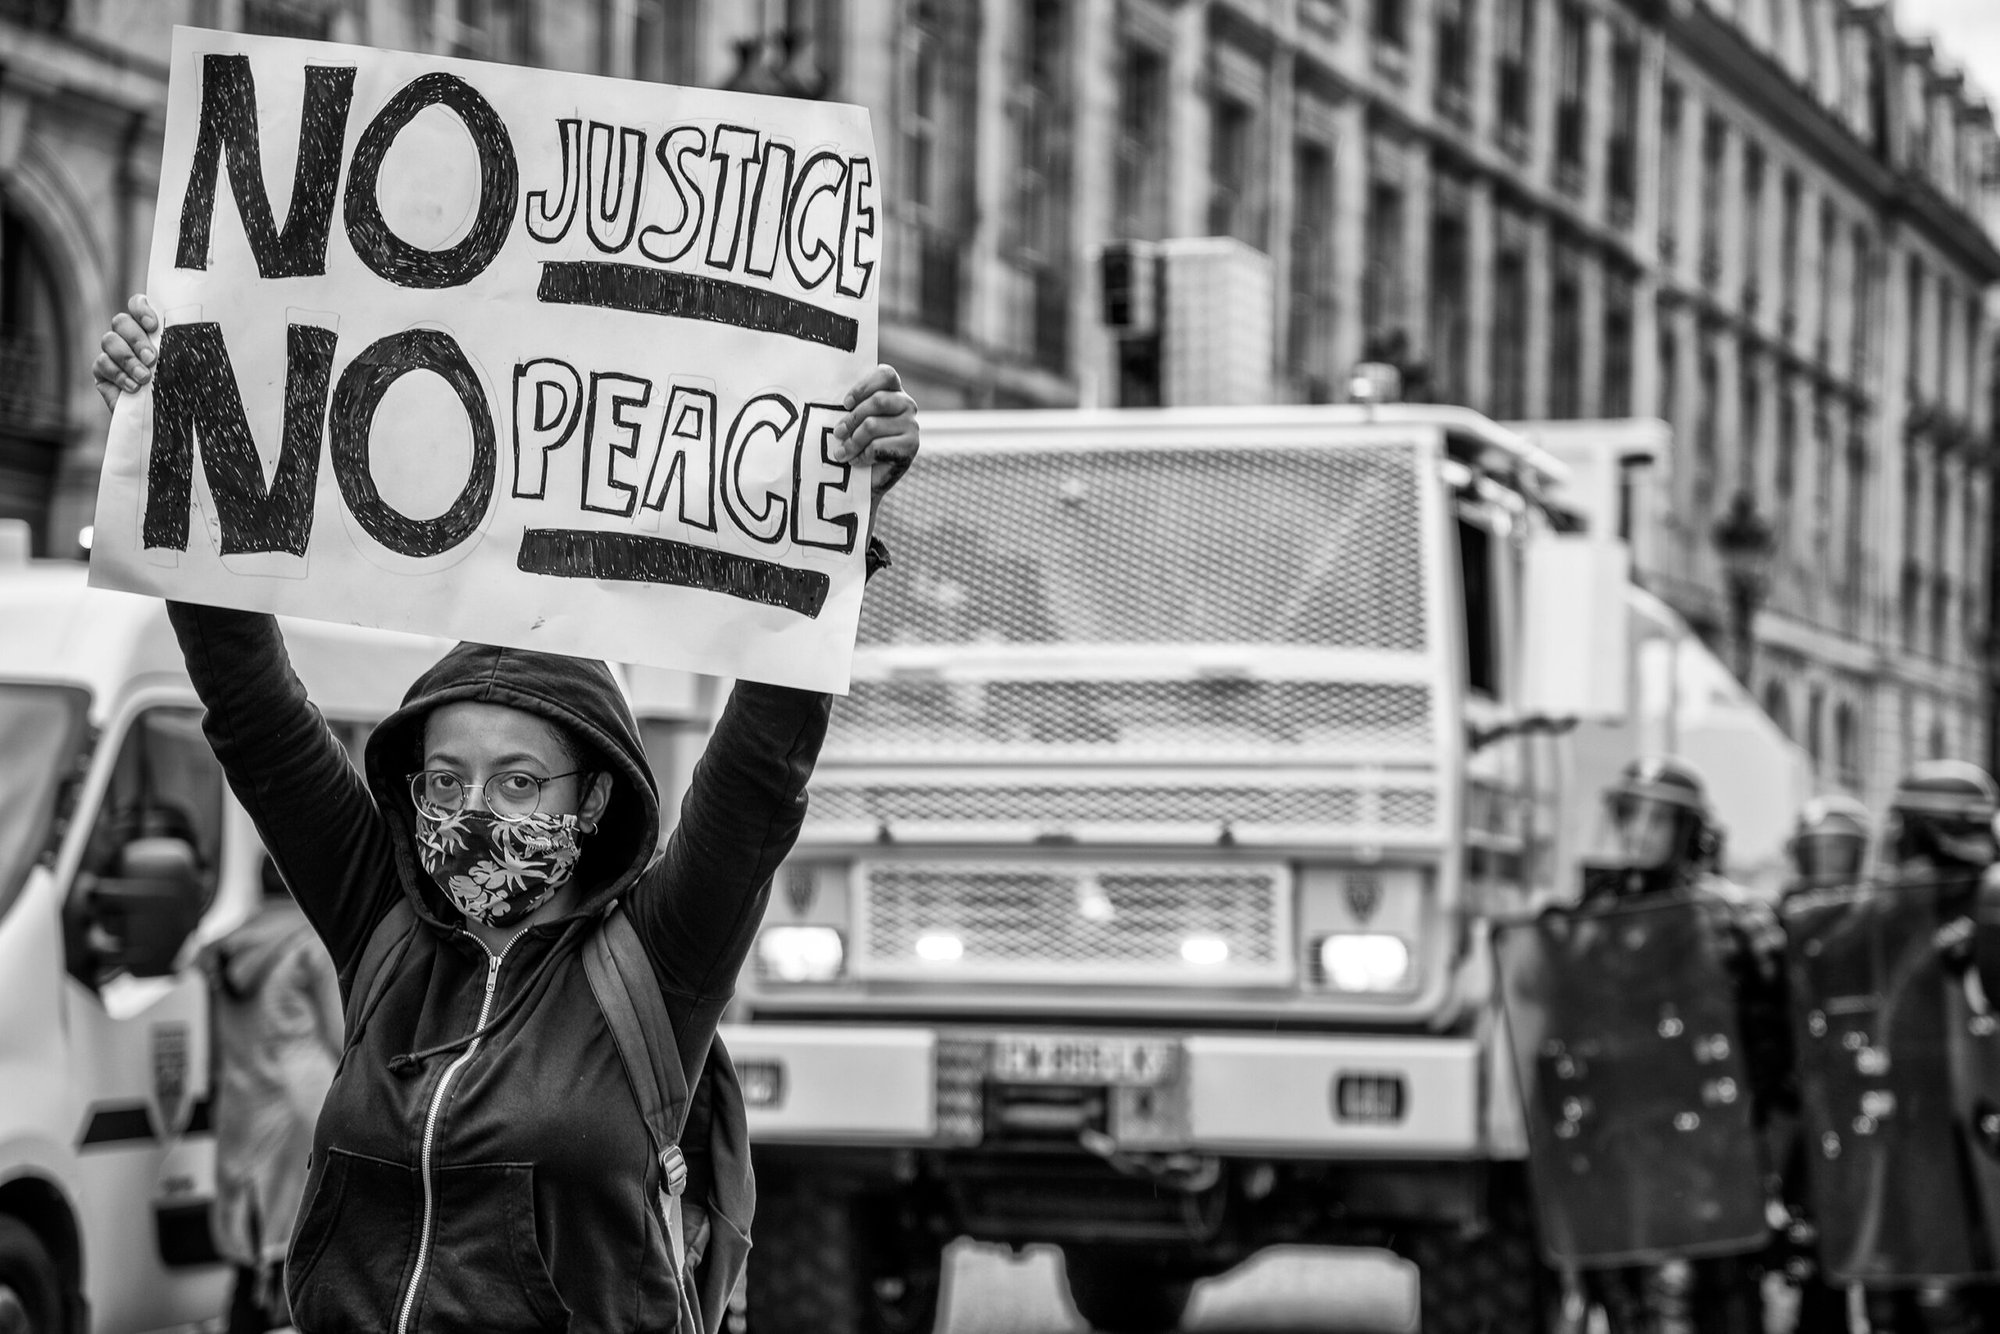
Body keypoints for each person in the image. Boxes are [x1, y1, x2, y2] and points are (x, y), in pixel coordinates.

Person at [96, 293, 920, 1333]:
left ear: (596, 798)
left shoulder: (657, 962)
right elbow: (254, 710)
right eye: (445, 779)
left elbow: (759, 774)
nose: (473, 810)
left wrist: (838, 524)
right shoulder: (382, 928)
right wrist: (179, 428)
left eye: (518, 781)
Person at [1574, 757, 1789, 1334]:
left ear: (1686, 831)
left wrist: (1754, 1121)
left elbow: (1776, 1039)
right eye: (1631, 817)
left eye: (1657, 819)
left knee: (1709, 1293)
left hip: (1711, 1142)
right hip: (1622, 1137)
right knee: (1624, 1295)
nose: (1639, 833)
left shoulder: (1738, 916)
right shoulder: (1594, 920)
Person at [201, 856, 343, 1334]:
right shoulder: (309, 945)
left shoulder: (229, 949)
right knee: (298, 1259)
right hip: (303, 1113)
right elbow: (346, 1039)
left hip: (243, 1109)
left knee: (251, 1264)